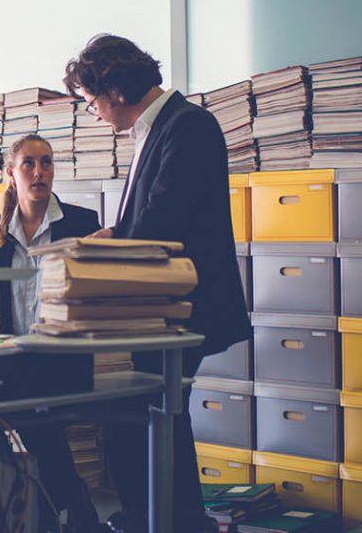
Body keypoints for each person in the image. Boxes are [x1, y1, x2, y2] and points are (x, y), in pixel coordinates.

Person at [64, 34, 252, 533]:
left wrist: (108, 239)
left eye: (90, 102)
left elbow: (164, 217)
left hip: (183, 305)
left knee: (152, 414)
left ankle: (171, 520)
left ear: (114, 92)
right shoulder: (157, 129)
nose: (95, 113)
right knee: (150, 414)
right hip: (158, 306)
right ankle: (154, 518)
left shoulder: (188, 125)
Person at [0, 133, 102, 532]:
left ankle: (59, 504)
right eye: (28, 163)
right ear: (11, 173)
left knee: (32, 420)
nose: (38, 171)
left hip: (64, 360)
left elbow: (95, 294)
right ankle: (64, 504)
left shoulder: (80, 223)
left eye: (46, 162)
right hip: (17, 358)